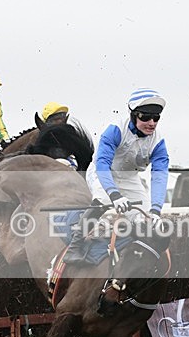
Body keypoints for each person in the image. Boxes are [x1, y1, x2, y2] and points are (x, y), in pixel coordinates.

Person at [63, 87, 170, 263]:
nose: (152, 123)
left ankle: (132, 256)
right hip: (102, 173)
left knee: (146, 219)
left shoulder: (158, 142)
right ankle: (74, 247)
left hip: (130, 179)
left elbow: (159, 176)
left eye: (156, 118)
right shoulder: (114, 130)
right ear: (133, 115)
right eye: (145, 117)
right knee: (104, 199)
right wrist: (114, 194)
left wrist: (156, 210)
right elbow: (103, 165)